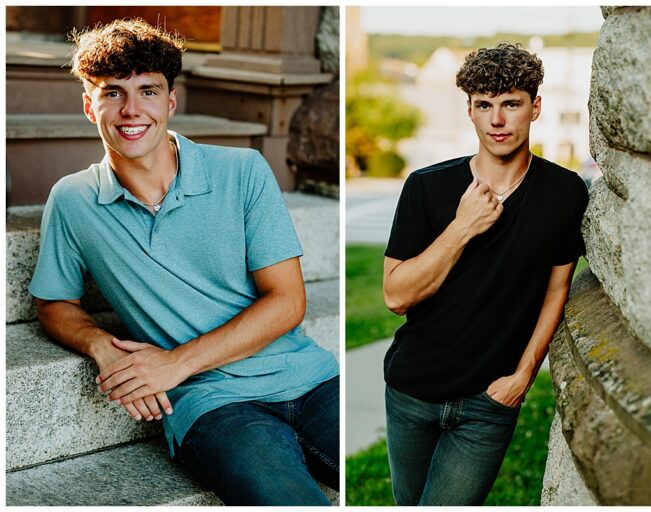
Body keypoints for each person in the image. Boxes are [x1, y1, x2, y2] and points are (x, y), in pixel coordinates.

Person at [29, 19, 339, 505]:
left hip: (310, 379)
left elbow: (288, 302)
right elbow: (53, 302)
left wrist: (174, 364)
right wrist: (101, 346)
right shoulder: (73, 200)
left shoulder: (242, 171)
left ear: (170, 102)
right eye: (112, 93)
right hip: (211, 406)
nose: (131, 110)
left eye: (147, 91)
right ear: (90, 106)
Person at [381, 42, 589, 505]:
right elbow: (396, 296)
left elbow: (558, 290)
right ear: (470, 111)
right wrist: (462, 227)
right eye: (484, 105)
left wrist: (523, 376)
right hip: (412, 390)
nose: (497, 120)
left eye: (511, 104)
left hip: (488, 401)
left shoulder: (565, 192)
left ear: (535, 108)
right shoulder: (427, 187)